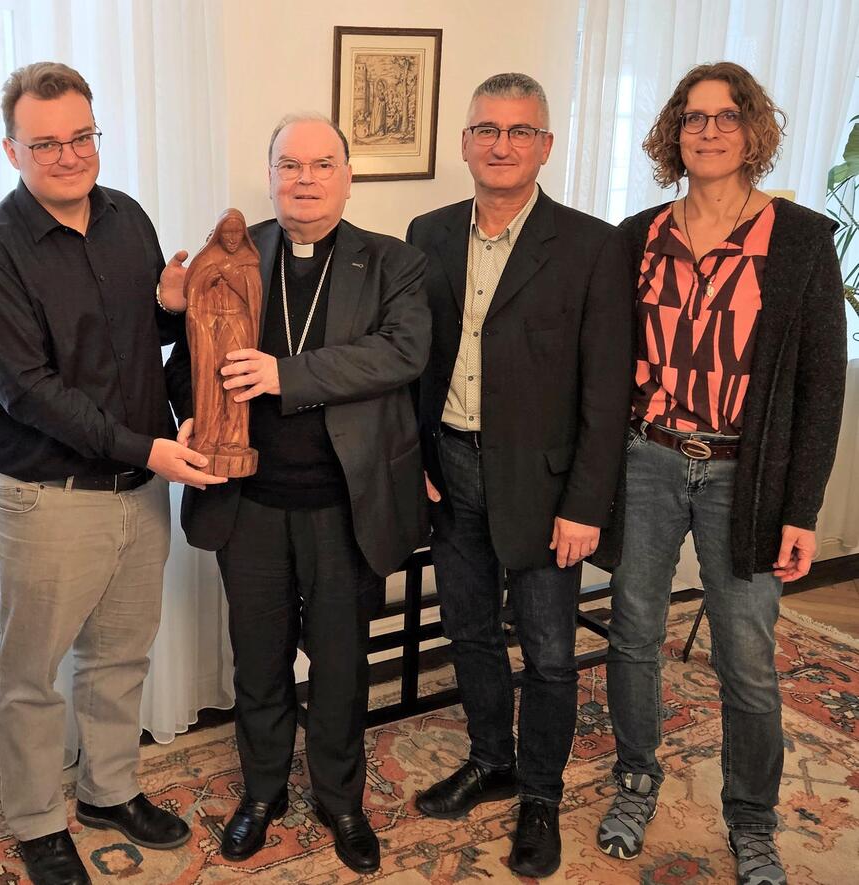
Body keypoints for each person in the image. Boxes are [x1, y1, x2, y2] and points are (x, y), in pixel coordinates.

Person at [0, 62, 220, 885]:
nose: (69, 155)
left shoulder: (129, 220)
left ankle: (108, 789)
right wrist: (149, 450)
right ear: (11, 149)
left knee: (120, 657)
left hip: (140, 491)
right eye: (47, 143)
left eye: (82, 137)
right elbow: (29, 392)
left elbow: (142, 350)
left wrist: (173, 311)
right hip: (47, 498)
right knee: (31, 673)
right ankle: (36, 819)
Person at [592, 62, 847, 885]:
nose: (708, 131)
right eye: (693, 117)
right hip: (648, 460)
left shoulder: (801, 238)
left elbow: (820, 385)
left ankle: (752, 817)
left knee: (746, 652)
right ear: (673, 131)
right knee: (633, 631)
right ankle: (636, 779)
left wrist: (802, 508)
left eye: (726, 117)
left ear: (754, 130)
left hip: (750, 475)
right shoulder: (635, 235)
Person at [168, 112, 430, 876]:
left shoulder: (392, 263)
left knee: (343, 663)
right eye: (290, 165)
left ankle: (341, 797)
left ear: (348, 176)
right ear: (271, 173)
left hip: (343, 504)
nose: (305, 179)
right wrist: (184, 420)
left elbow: (402, 352)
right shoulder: (232, 253)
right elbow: (182, 358)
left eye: (322, 164)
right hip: (249, 503)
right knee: (259, 658)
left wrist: (287, 376)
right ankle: (261, 791)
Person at [406, 72, 632, 878]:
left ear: (545, 145)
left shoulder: (591, 245)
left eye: (520, 131)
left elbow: (607, 394)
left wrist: (586, 505)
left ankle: (539, 792)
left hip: (544, 488)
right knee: (467, 631)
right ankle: (489, 760)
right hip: (450, 468)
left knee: (548, 655)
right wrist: (416, 460)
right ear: (465, 142)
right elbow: (413, 363)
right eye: (487, 129)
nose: (501, 145)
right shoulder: (425, 233)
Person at [184, 209, 261, 468]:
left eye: (237, 233)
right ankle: (208, 436)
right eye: (226, 233)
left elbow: (253, 299)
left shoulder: (249, 260)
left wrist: (232, 276)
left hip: (238, 325)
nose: (231, 238)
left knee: (235, 381)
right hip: (209, 326)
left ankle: (234, 439)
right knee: (208, 381)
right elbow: (193, 294)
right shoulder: (208, 259)